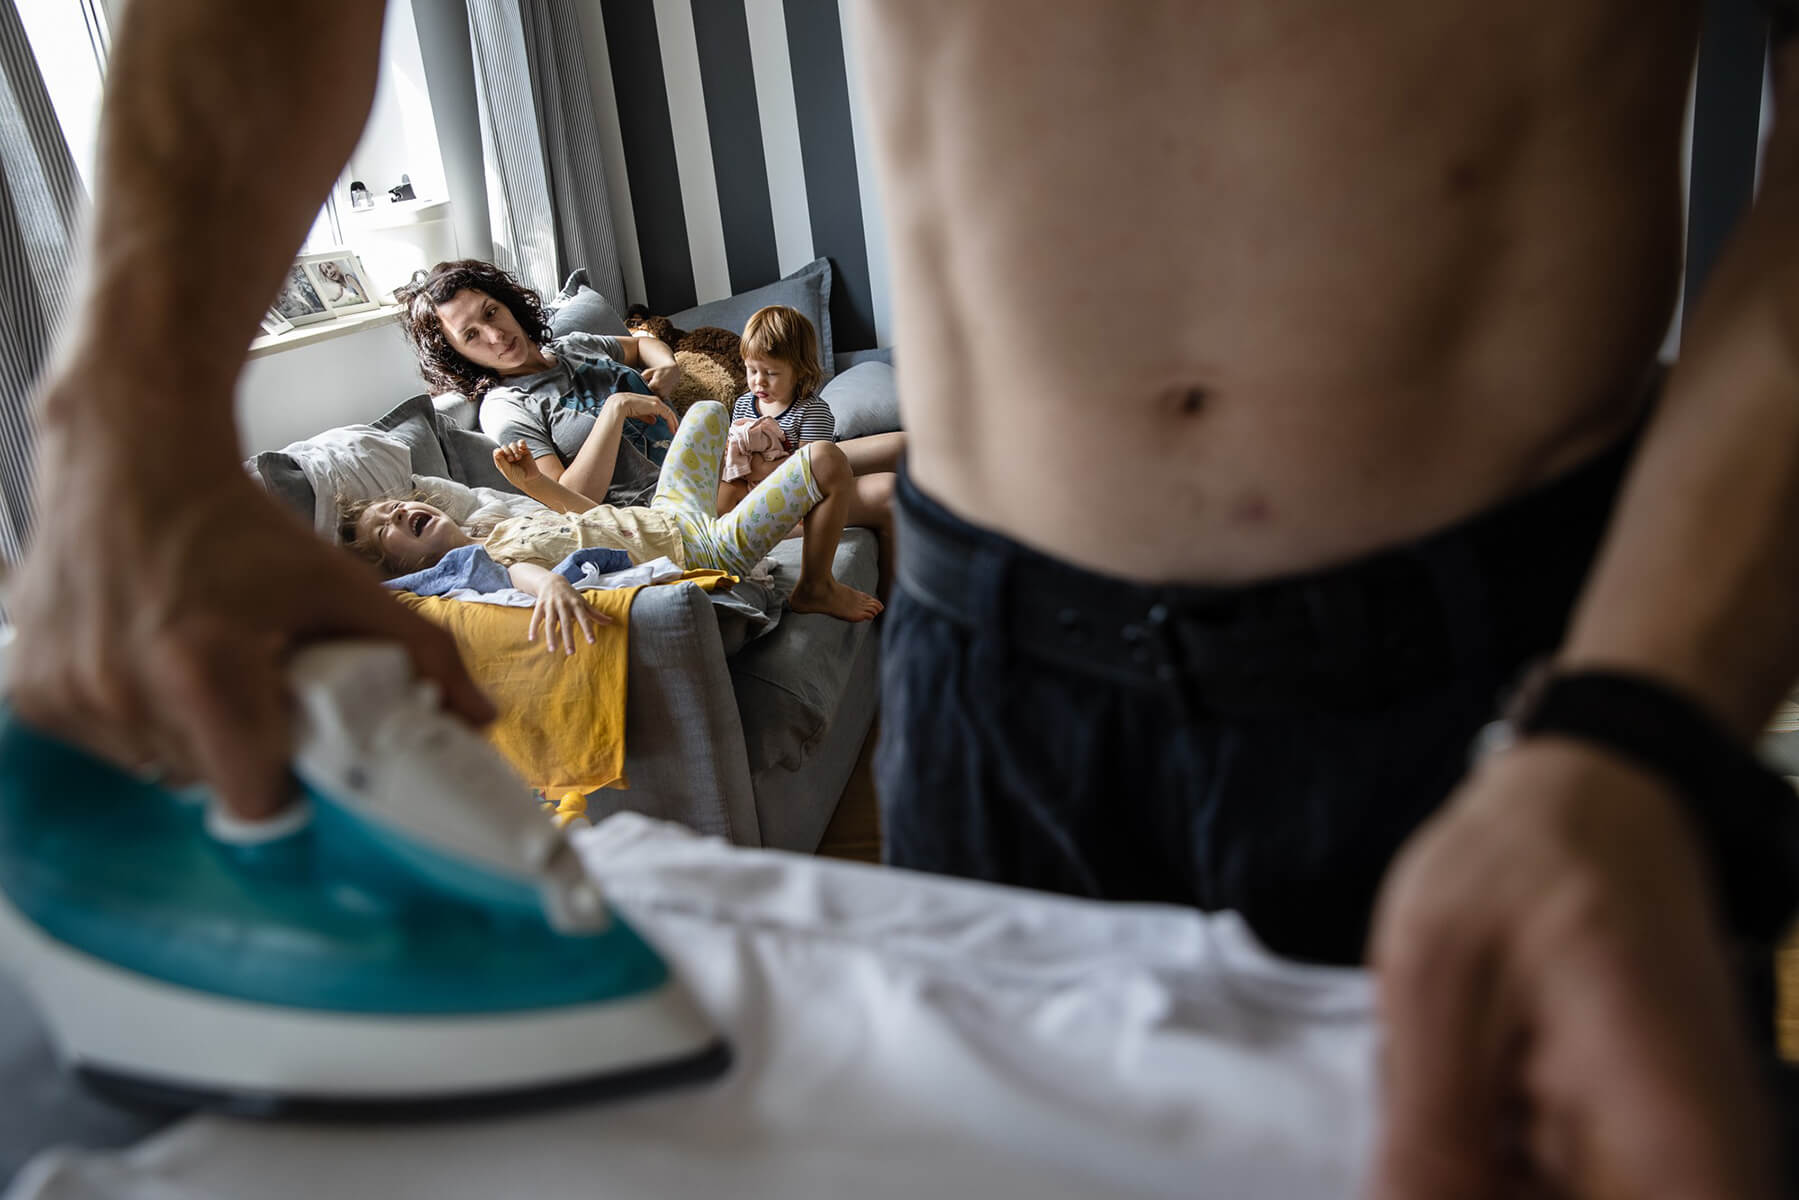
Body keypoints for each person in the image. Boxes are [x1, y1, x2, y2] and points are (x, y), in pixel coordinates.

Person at [4, 0, 1790, 1196]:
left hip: (1502, 678)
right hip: (988, 665)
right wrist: (119, 428)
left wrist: (1644, 717)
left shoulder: (592, 364)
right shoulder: (495, 425)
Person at [345, 412, 883, 624]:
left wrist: (536, 486)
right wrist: (551, 586)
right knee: (824, 459)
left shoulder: (497, 526)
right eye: (385, 528)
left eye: (394, 505)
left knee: (709, 413)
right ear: (402, 570)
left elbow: (596, 518)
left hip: (665, 514)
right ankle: (815, 586)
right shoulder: (478, 567)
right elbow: (518, 576)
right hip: (702, 550)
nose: (399, 511)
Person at [396, 259, 684, 507]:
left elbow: (640, 345)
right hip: (661, 512)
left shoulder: (573, 346)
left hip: (699, 465)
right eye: (471, 335)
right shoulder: (505, 408)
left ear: (508, 304)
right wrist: (615, 410)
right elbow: (569, 500)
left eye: (491, 312)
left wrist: (668, 366)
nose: (495, 335)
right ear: (458, 356)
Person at [722, 304, 899, 588]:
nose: (758, 381)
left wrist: (758, 467)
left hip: (799, 499)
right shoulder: (744, 405)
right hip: (758, 498)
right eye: (751, 370)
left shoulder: (811, 411)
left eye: (771, 373)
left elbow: (810, 473)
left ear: (800, 371)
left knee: (898, 462)